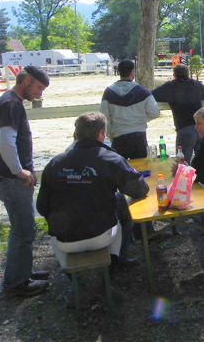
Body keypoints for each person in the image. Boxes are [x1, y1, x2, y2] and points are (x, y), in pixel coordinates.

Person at [37, 112, 149, 266]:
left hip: (63, 240)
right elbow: (139, 190)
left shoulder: (55, 163)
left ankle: (69, 270)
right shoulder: (111, 159)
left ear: (76, 134)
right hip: (101, 236)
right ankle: (118, 259)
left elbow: (42, 207)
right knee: (121, 203)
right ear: (101, 134)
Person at [0, 66, 50, 297]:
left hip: (10, 178)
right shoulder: (11, 104)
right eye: (38, 87)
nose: (39, 93)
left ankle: (23, 273)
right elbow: (5, 141)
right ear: (27, 80)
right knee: (23, 229)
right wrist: (20, 171)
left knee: (24, 228)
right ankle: (16, 284)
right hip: (11, 180)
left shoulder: (11, 102)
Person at [100, 59, 160, 159]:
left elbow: (104, 117)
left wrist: (111, 135)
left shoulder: (109, 92)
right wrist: (140, 119)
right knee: (141, 167)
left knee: (120, 167)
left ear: (119, 72)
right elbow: (155, 112)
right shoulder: (142, 91)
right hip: (139, 136)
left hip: (119, 136)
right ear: (132, 72)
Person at [152, 64, 204, 162]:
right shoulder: (195, 84)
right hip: (201, 127)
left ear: (174, 75)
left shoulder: (170, 86)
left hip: (184, 129)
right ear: (188, 74)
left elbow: (153, 95)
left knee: (182, 164)